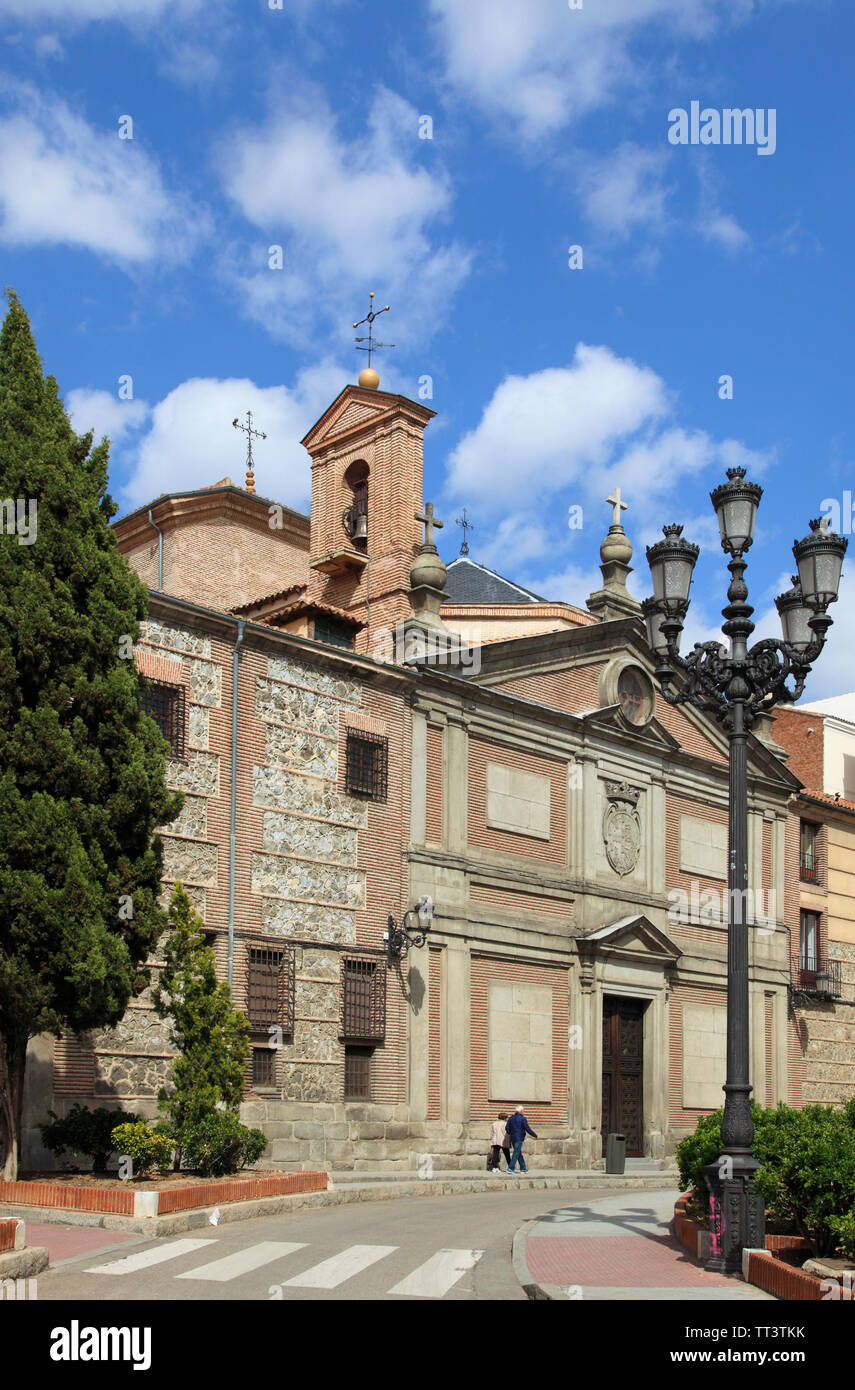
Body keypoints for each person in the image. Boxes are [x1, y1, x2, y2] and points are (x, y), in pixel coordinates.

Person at [505, 1105, 538, 1174]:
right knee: (516, 1153)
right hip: (519, 1137)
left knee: (518, 1152)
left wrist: (511, 1133)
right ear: (521, 1111)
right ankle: (510, 1168)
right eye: (523, 1111)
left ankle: (523, 1168)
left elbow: (507, 1128)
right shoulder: (523, 1119)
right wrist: (535, 1135)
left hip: (513, 1137)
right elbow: (527, 1128)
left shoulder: (511, 1118)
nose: (524, 1112)